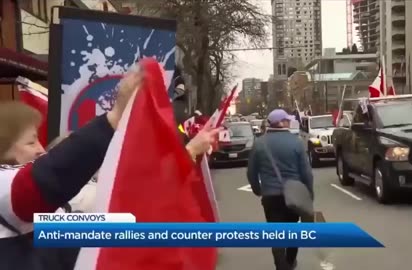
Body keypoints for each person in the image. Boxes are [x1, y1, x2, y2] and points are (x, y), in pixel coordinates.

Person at [0, 69, 219, 270]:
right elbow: (44, 181)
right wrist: (113, 120)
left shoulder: (56, 216)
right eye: (30, 142)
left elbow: (128, 214)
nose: (41, 150)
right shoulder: (20, 191)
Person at [247, 109, 314, 270]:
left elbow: (251, 172)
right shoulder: (296, 142)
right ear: (281, 123)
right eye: (287, 120)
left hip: (270, 196)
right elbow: (307, 173)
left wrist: (258, 190)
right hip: (293, 196)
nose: (290, 122)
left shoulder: (259, 143)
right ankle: (290, 262)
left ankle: (280, 266)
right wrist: (309, 195)